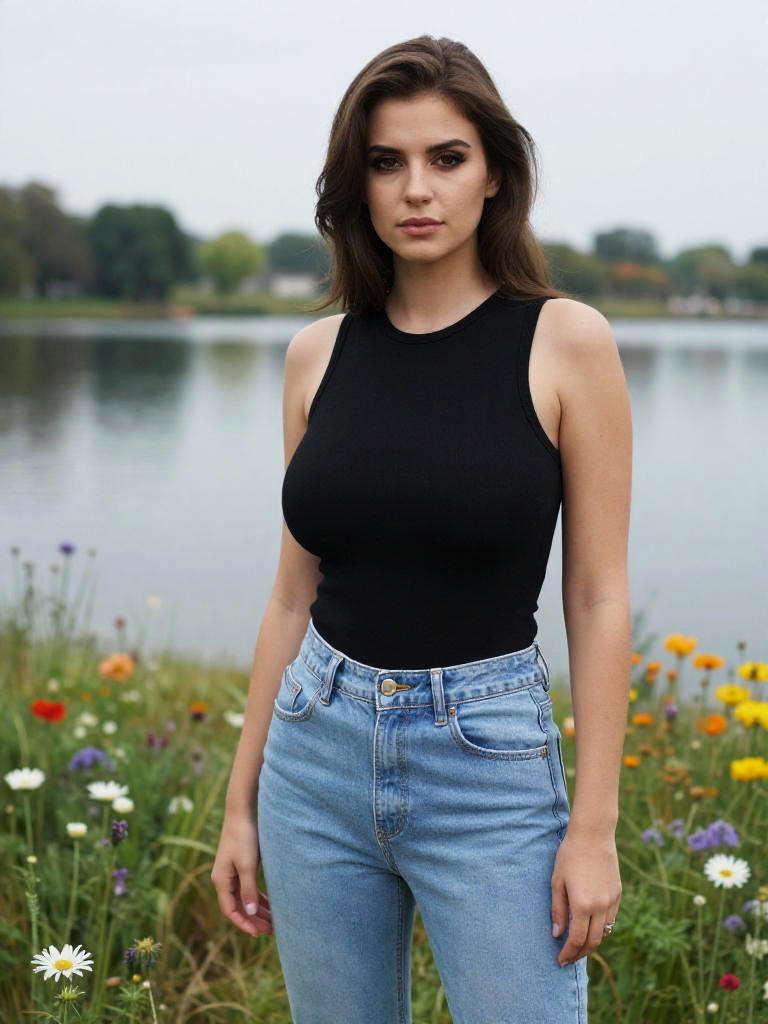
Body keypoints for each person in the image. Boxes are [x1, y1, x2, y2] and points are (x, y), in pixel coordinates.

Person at [211, 34, 632, 1024]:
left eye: (446, 157)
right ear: (356, 185)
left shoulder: (568, 342)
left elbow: (598, 594)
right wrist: (239, 799)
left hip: (484, 763)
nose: (417, 188)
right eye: (386, 161)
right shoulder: (316, 356)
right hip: (313, 757)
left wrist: (596, 827)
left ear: (494, 174)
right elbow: (291, 594)